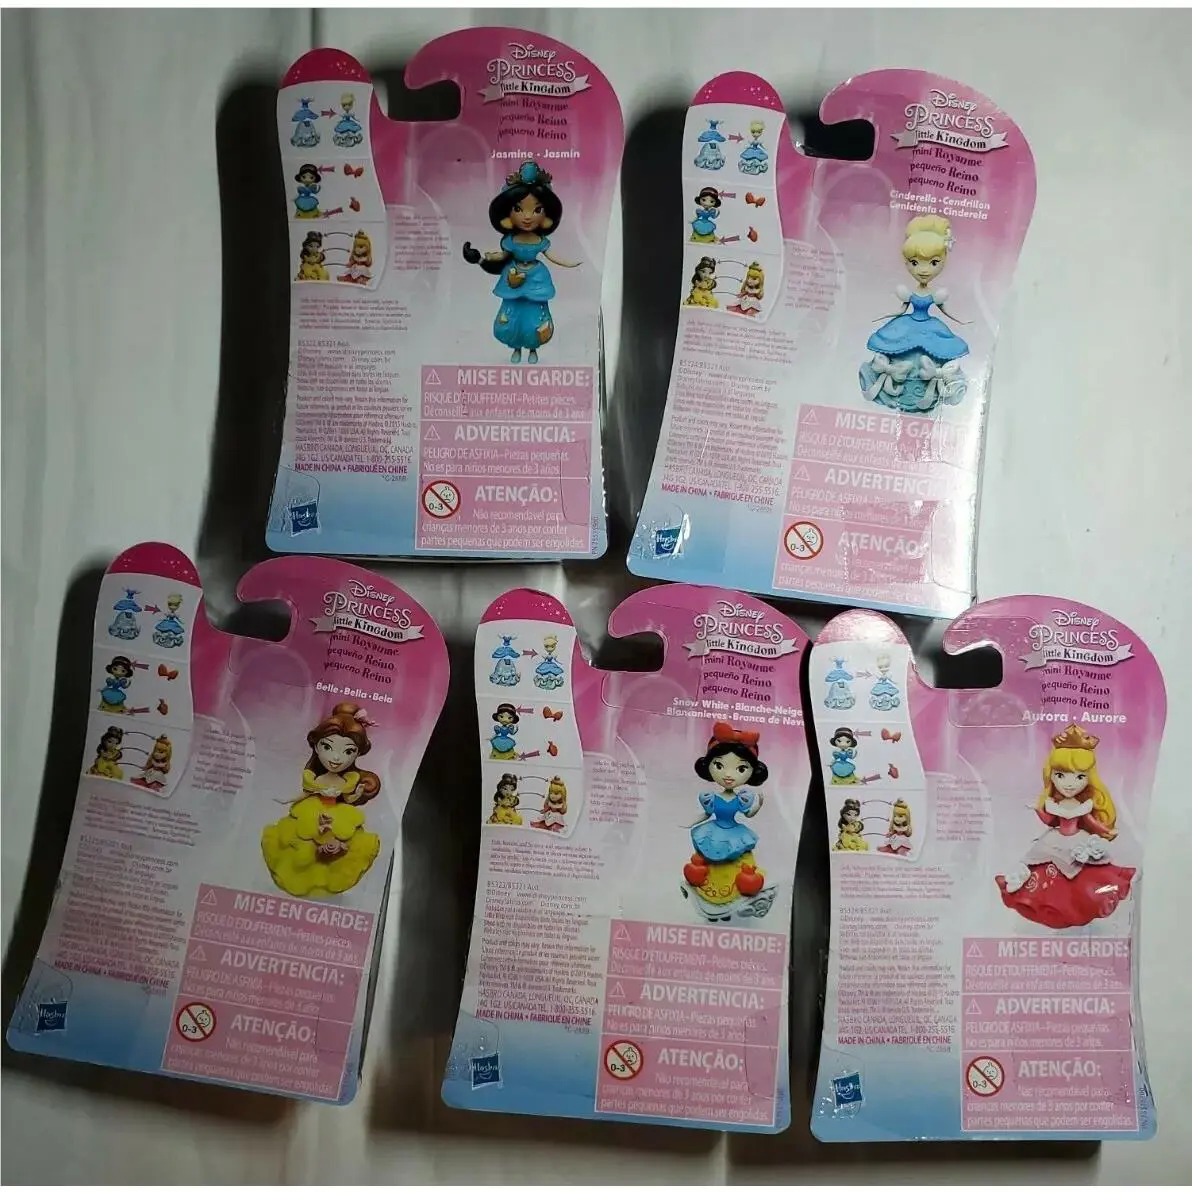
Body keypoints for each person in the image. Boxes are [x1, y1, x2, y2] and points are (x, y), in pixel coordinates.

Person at [996, 725, 1134, 929]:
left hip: (1077, 839)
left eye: (1079, 777)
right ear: (1051, 775)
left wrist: (1105, 831)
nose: (1069, 784)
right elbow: (1048, 819)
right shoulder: (1053, 803)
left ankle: (1076, 904)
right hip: (1054, 839)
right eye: (1061, 775)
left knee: (1080, 875)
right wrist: (1037, 810)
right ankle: (1035, 893)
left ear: (1088, 778)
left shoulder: (1084, 805)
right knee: (1042, 869)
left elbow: (1090, 822)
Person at [461, 161, 579, 364]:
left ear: (546, 216)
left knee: (535, 316)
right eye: (519, 209)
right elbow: (502, 255)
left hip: (536, 279)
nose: (527, 217)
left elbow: (551, 256)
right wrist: (486, 257)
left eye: (536, 210)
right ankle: (515, 347)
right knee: (511, 314)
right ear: (507, 215)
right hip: (512, 276)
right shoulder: (510, 241)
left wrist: (569, 263)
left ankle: (533, 348)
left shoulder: (540, 241)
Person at [261, 703, 382, 897]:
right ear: (316, 746)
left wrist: (358, 792)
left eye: (348, 751)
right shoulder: (314, 778)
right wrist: (287, 800)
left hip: (339, 816)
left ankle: (326, 877)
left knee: (338, 848)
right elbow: (307, 793)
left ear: (358, 753)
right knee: (302, 850)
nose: (336, 758)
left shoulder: (347, 780)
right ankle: (300, 877)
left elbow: (348, 798)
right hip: (311, 812)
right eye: (327, 747)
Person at [859, 215, 969, 412]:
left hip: (930, 327)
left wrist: (960, 321)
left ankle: (927, 386)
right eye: (915, 263)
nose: (923, 270)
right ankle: (898, 385)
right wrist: (885, 316)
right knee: (897, 348)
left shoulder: (936, 295)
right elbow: (900, 310)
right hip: (906, 325)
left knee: (933, 353)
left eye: (933, 262)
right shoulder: (908, 293)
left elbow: (945, 310)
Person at [682, 723, 768, 902]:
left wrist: (758, 806)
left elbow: (748, 814)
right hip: (713, 829)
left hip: (733, 832)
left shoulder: (741, 799)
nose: (729, 775)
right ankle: (705, 880)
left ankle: (733, 883)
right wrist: (690, 823)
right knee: (707, 857)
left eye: (741, 769)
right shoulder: (711, 798)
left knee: (734, 859)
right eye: (719, 765)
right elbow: (706, 814)